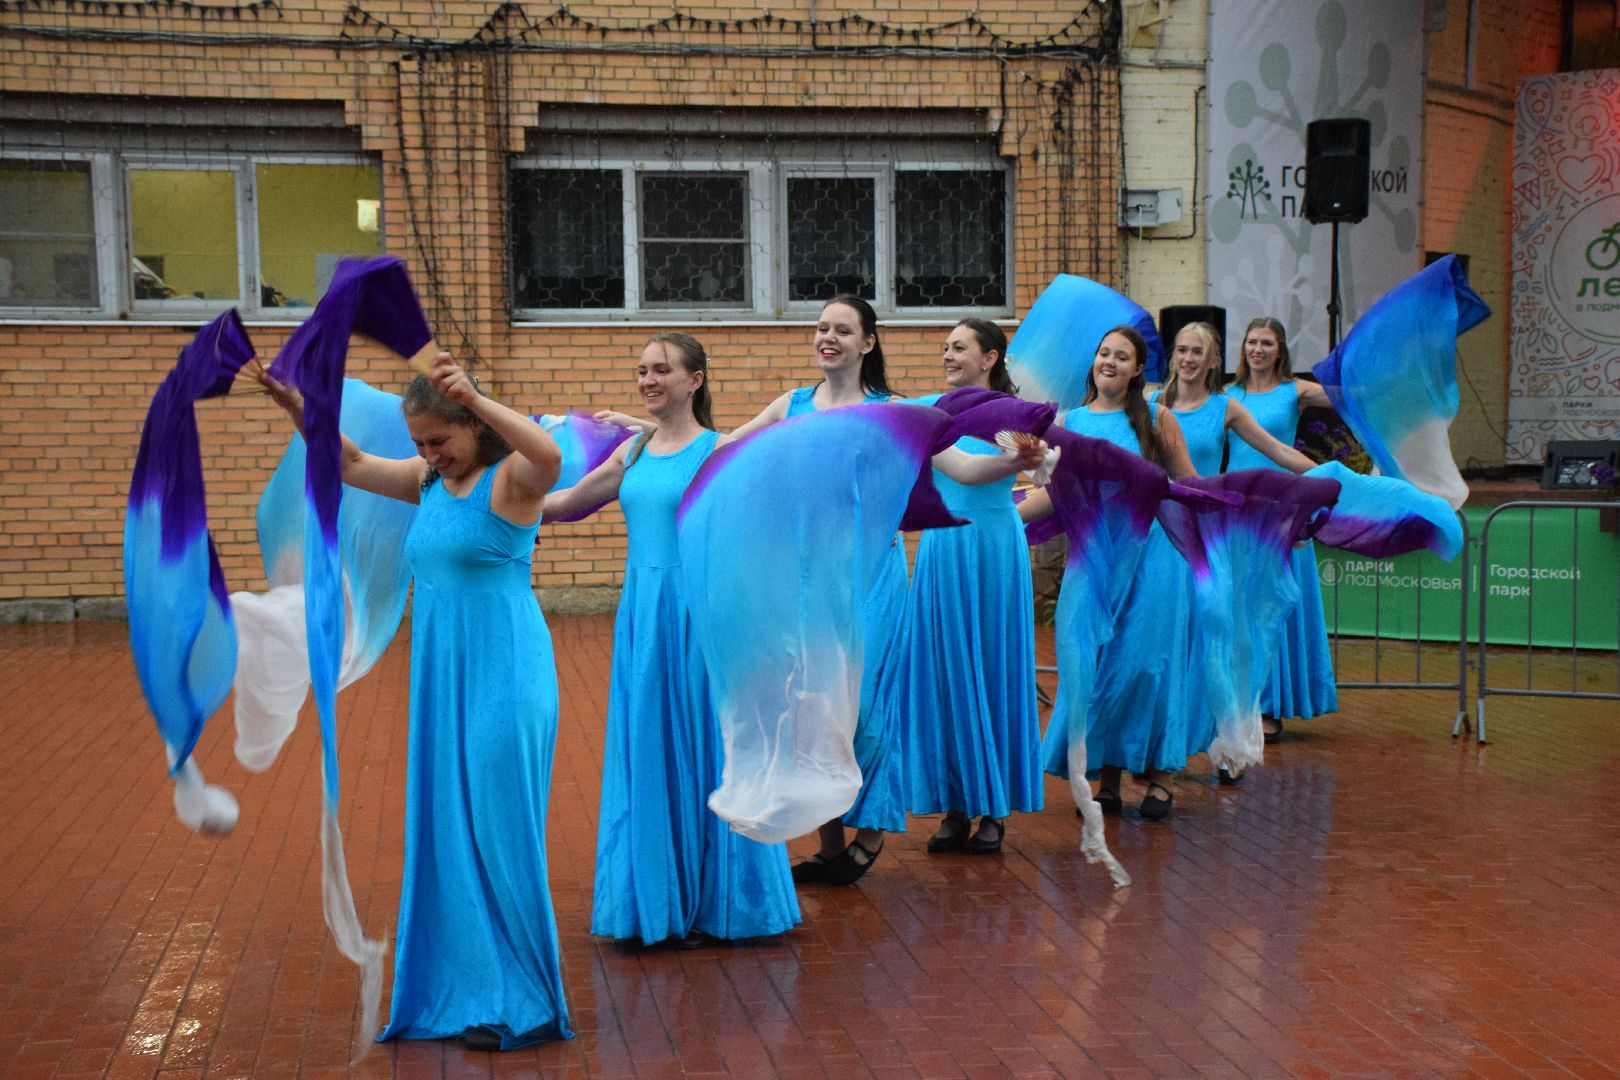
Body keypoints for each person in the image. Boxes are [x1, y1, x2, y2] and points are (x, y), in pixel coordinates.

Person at [261, 354, 571, 1051]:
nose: (430, 454)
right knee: (448, 829)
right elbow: (347, 463)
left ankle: (527, 1004)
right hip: (442, 679)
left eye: (441, 440)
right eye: (421, 443)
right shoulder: (430, 482)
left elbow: (549, 455)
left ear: (473, 425)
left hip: (506, 676)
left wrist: (481, 398)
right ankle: (470, 987)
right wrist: (296, 406)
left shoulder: (510, 481)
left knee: (500, 829)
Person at [598, 296, 905, 886]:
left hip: (870, 574)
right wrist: (649, 432)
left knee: (865, 708)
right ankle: (831, 840)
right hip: (805, 575)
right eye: (821, 327)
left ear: (868, 342)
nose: (828, 337)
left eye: (842, 329)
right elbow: (720, 453)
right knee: (809, 698)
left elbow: (947, 465)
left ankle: (873, 828)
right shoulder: (790, 405)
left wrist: (1020, 463)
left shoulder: (888, 410)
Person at [544, 333, 801, 945]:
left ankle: (724, 902)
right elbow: (564, 503)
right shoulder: (631, 454)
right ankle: (658, 899)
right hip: (644, 616)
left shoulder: (720, 451)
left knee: (710, 744)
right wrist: (492, 499)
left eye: (662, 369)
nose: (648, 379)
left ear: (695, 380)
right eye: (642, 371)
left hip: (702, 614)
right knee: (651, 744)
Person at [1147, 322, 1318, 785]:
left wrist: (1331, 479)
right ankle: (1161, 745)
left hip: (1206, 533)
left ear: (1212, 359)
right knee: (1163, 644)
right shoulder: (1150, 406)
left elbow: (1279, 450)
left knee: (1214, 638)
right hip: (1157, 536)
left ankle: (1227, 744)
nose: (1187, 358)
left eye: (1196, 351)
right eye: (1181, 349)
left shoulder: (1226, 407)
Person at [900, 319, 1048, 854]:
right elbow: (960, 469)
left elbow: (1044, 471)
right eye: (945, 347)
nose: (947, 355)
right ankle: (957, 803)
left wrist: (1030, 460)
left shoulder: (1014, 416)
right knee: (945, 670)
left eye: (958, 347)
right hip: (945, 547)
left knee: (991, 665)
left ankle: (993, 807)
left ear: (989, 358)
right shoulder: (933, 410)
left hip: (992, 548)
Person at [1226, 317, 1338, 742]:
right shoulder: (1228, 396)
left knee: (1278, 605)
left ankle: (1272, 704)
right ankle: (1243, 700)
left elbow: (1352, 401)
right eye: (1252, 342)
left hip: (1283, 510)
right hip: (1239, 508)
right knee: (1242, 607)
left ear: (1280, 349)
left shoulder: (1297, 391)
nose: (1257, 349)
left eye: (1266, 343)